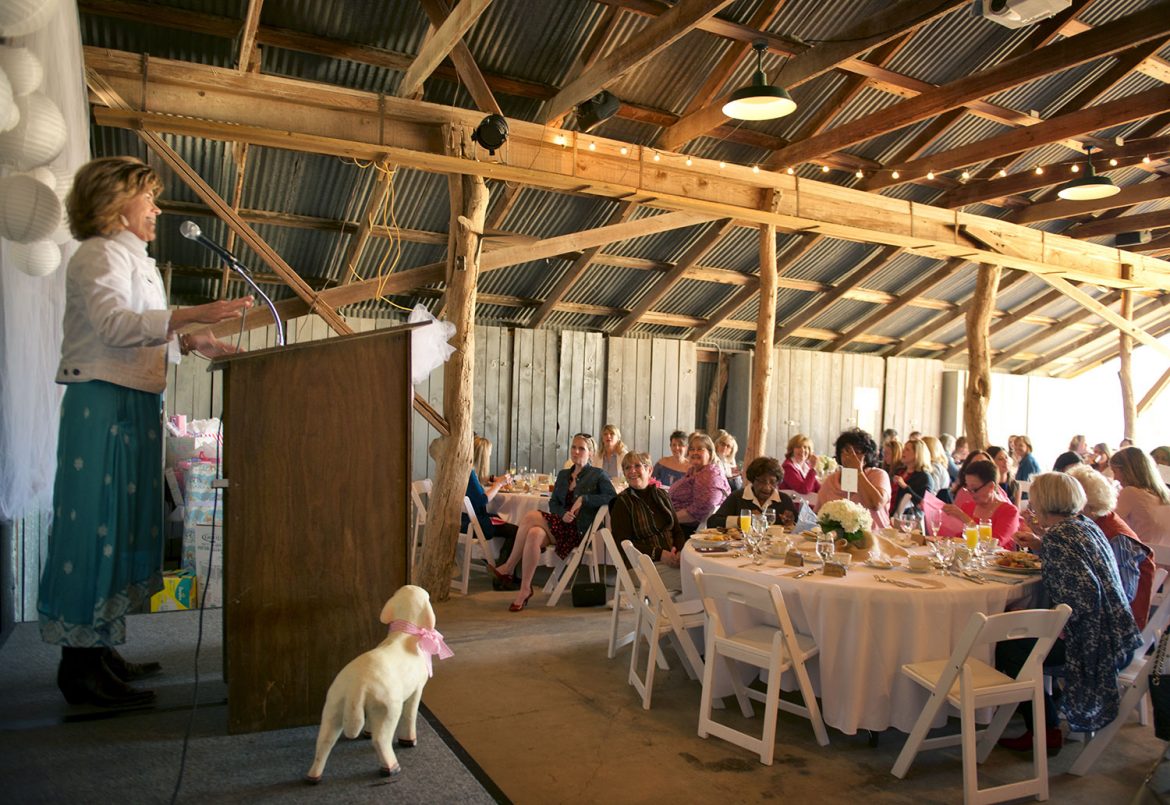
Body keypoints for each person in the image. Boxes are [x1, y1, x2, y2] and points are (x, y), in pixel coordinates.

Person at [37, 157, 254, 708]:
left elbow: (139, 329)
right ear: (115, 202)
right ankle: (79, 667)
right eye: (148, 197)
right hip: (102, 403)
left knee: (124, 526)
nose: (156, 208)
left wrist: (195, 340)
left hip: (131, 400)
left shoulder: (132, 257)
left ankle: (101, 649)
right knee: (96, 526)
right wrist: (190, 316)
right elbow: (113, 325)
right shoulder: (98, 253)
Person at [998, 473, 1141, 752]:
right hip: (1117, 631)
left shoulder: (1059, 538)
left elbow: (1084, 596)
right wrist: (1041, 543)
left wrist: (1056, 625)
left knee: (1006, 647)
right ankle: (1050, 703)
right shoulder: (1084, 525)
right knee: (1022, 640)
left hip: (1093, 642)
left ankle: (1044, 727)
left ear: (1044, 501)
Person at [491, 434, 615, 611]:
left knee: (531, 517)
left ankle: (509, 567)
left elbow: (612, 496)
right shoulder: (564, 474)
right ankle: (525, 589)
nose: (576, 451)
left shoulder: (598, 475)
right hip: (561, 525)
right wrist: (563, 513)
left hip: (579, 531)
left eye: (581, 448)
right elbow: (553, 503)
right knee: (534, 533)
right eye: (573, 447)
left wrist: (585, 499)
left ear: (591, 453)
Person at [1066, 464, 1156, 630]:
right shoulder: (1095, 523)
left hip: (1116, 634)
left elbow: (1123, 596)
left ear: (1087, 504)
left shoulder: (1116, 537)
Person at [611, 452, 684, 594]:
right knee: (696, 580)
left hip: (671, 560)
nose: (632, 471)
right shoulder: (622, 503)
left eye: (637, 466)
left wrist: (679, 551)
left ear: (649, 470)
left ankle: (682, 612)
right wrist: (660, 554)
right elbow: (624, 544)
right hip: (640, 567)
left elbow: (677, 530)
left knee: (703, 572)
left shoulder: (662, 495)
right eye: (627, 468)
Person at [816, 428, 892, 531]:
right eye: (847, 451)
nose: (852, 456)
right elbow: (817, 514)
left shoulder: (878, 475)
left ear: (867, 456)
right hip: (838, 541)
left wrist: (858, 471)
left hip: (876, 538)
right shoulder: (832, 480)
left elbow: (876, 504)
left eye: (857, 452)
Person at [463, 437, 519, 575]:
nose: (490, 456)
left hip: (465, 520)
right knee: (516, 531)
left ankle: (501, 566)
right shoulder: (470, 475)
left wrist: (493, 479)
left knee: (506, 523)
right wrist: (498, 484)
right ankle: (503, 572)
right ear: (483, 456)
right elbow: (483, 500)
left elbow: (478, 484)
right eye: (489, 454)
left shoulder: (468, 471)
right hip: (475, 523)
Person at [941, 460, 1019, 547]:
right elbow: (960, 539)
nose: (970, 493)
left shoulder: (1009, 511)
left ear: (991, 486)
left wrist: (965, 519)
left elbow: (993, 544)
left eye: (974, 489)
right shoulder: (967, 507)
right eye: (968, 489)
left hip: (998, 559)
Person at [669, 433, 730, 537]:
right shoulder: (695, 471)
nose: (694, 452)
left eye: (700, 449)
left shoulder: (710, 476)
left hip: (685, 531)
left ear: (710, 453)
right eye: (692, 449)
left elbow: (698, 512)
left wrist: (666, 519)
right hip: (677, 523)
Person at [712, 456, 799, 527]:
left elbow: (800, 527)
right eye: (762, 481)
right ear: (753, 480)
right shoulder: (738, 497)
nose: (767, 487)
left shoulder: (784, 500)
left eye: (772, 482)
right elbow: (713, 522)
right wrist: (741, 520)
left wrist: (791, 523)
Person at [1110, 446, 1170, 547]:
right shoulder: (1165, 494)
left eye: (1115, 472)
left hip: (1142, 557)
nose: (1115, 478)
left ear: (1127, 470)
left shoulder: (1130, 492)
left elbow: (1109, 525)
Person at [891, 438, 936, 516]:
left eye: (907, 449)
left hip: (909, 519)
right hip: (891, 513)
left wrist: (905, 486)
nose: (903, 451)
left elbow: (924, 504)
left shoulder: (924, 477)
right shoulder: (899, 471)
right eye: (904, 448)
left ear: (917, 454)